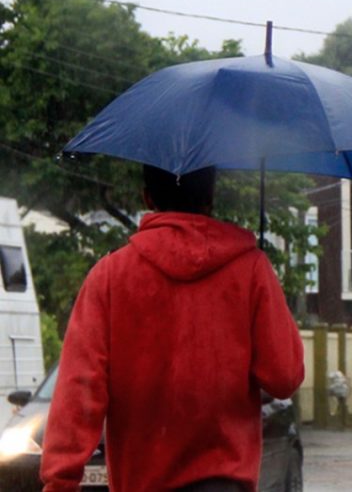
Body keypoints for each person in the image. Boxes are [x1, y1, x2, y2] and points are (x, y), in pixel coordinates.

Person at [41, 165, 305, 492]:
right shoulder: (250, 269)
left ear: (147, 197)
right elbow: (284, 377)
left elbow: (79, 387)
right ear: (210, 197)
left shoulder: (109, 277)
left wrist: (60, 481)